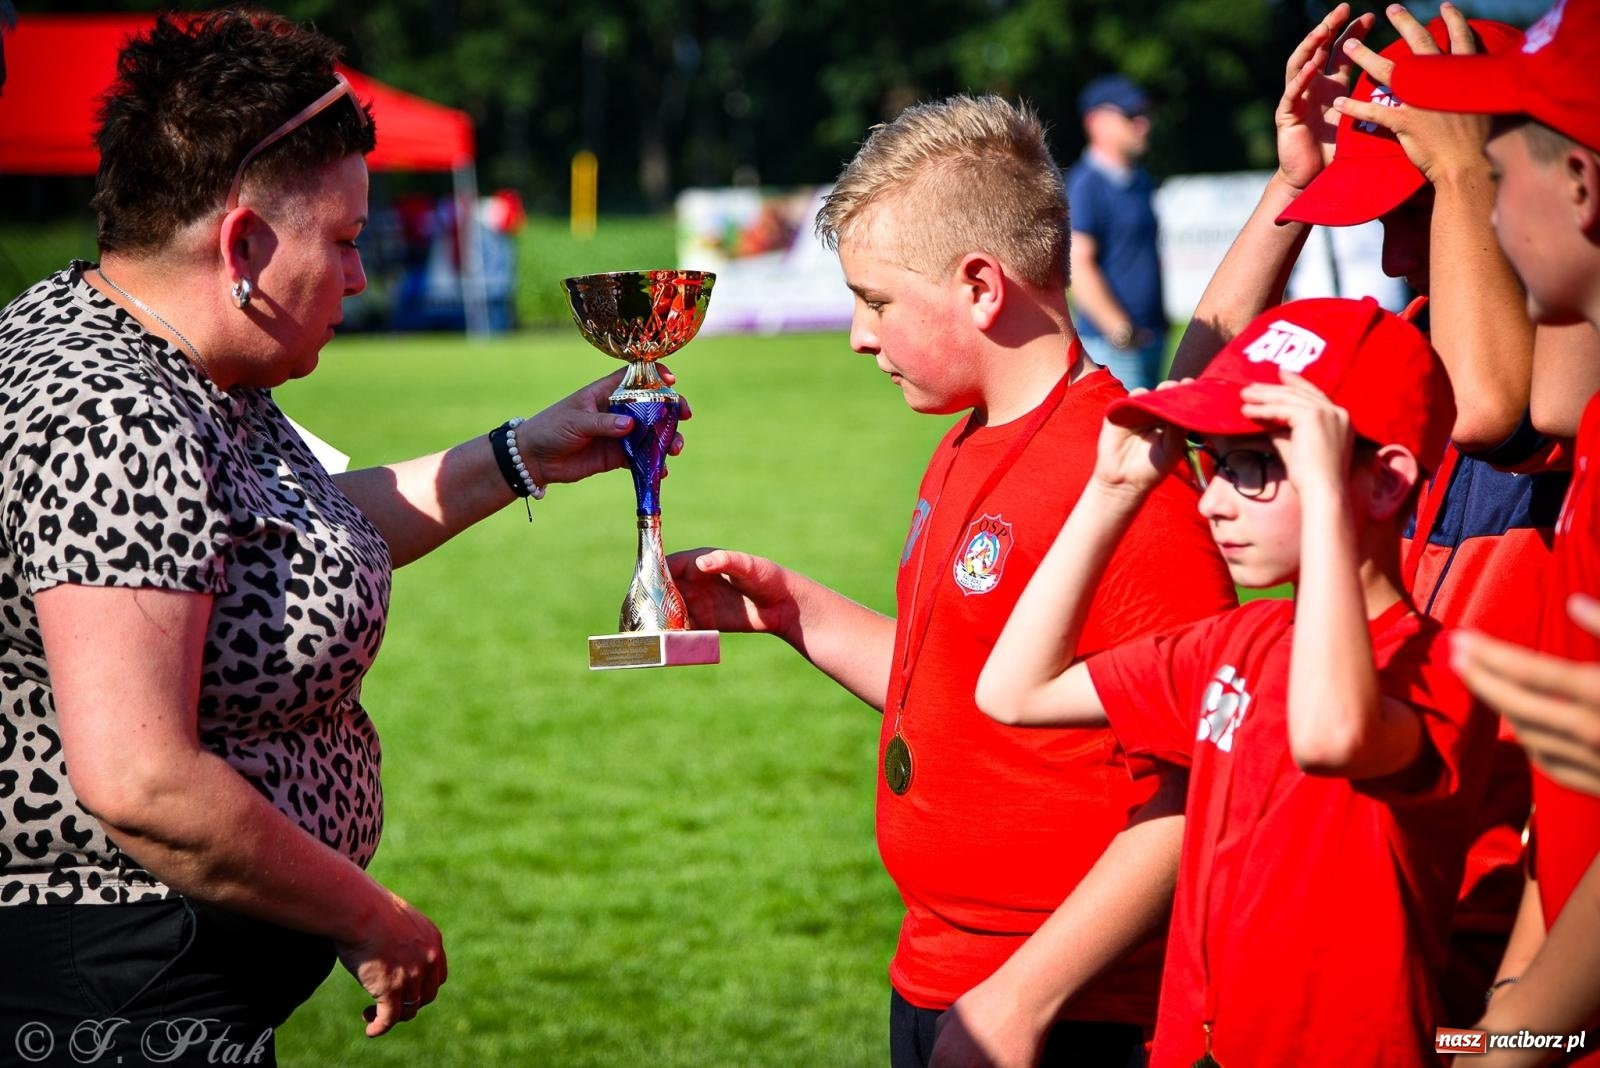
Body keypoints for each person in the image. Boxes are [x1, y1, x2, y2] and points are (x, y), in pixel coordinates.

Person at [0, 12, 669, 1065]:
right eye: (347, 239)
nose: (359, 277)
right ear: (241, 245)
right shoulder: (111, 411)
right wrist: (369, 916)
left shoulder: (176, 357)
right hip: (119, 991)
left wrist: (522, 452)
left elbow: (286, 536)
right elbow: (141, 779)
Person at [666, 95, 1237, 1068]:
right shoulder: (964, 440)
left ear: (980, 285)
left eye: (877, 301)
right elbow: (957, 683)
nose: (858, 335)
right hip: (938, 970)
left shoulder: (1123, 479)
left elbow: (1196, 784)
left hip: (1068, 1007)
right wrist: (794, 612)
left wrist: (1023, 999)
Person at [1168, 2, 1598, 1027]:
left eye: (1411, 213)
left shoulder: (1552, 379)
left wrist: (1459, 171)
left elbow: (1484, 407)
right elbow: (1195, 398)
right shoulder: (1406, 335)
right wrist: (1292, 186)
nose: (1395, 257)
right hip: (1385, 887)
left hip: (1510, 923)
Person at [976, 295, 1495, 1067]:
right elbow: (1015, 692)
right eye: (1214, 461)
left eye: (1256, 464)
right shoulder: (1240, 640)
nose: (1214, 501)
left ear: (1386, 482)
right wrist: (1111, 493)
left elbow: (1329, 736)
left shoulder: (1445, 668)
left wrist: (1325, 496)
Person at [1389, 1, 1600, 1058]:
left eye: (1498, 171)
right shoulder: (1585, 425)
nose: (1398, 252)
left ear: (1581, 187)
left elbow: (1498, 410)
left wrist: (1515, 1036)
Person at [1066, 74, 1168, 392]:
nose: (1143, 124)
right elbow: (1078, 264)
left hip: (1149, 338)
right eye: (1130, 115)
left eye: (1143, 114)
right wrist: (1121, 331)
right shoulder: (1086, 185)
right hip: (1115, 347)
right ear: (1096, 122)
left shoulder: (1139, 179)